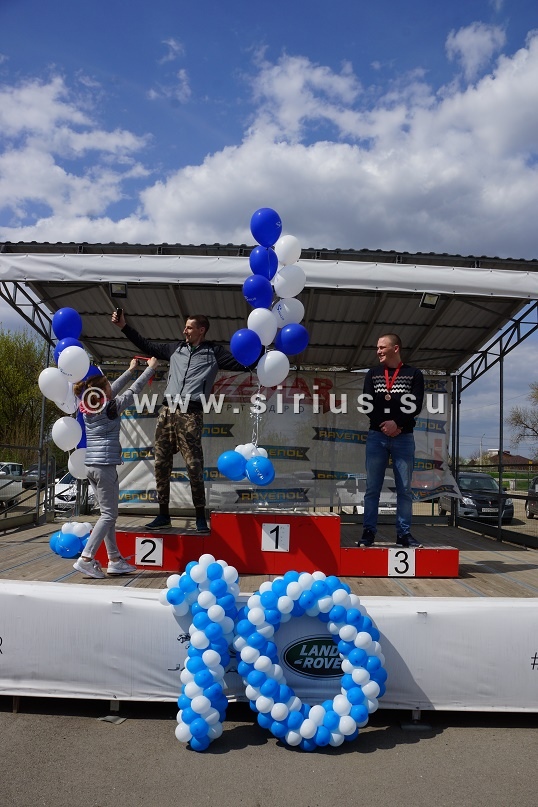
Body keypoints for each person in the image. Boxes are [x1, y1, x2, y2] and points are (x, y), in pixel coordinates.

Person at [112, 311, 248, 532]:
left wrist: (264, 350)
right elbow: (147, 346)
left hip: (190, 414)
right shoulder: (175, 348)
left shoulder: (214, 353)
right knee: (161, 464)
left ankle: (200, 517)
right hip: (167, 412)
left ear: (201, 330)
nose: (184, 331)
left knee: (194, 466)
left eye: (189, 328)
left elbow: (244, 363)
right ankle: (163, 515)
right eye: (185, 327)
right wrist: (124, 326)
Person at [71, 357, 158, 578]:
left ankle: (115, 560)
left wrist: (130, 370)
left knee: (107, 515)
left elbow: (113, 389)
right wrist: (149, 370)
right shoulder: (111, 407)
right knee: (109, 515)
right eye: (108, 385)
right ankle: (86, 558)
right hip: (105, 466)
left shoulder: (87, 405)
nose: (111, 386)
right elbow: (134, 391)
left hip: (91, 465)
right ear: (103, 393)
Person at [358, 333, 424, 548]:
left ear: (395, 348)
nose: (378, 351)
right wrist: (385, 425)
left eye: (382, 347)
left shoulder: (414, 374)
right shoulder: (373, 374)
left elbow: (416, 405)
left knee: (404, 489)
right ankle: (368, 532)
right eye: (377, 348)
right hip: (377, 436)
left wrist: (398, 424)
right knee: (372, 488)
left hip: (404, 437)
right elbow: (367, 404)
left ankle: (404, 534)